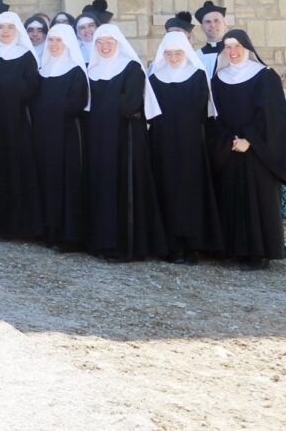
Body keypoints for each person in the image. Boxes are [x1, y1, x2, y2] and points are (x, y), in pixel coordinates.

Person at [83, 24, 166, 261]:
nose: (104, 46)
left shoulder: (132, 69)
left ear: (118, 43)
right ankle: (102, 241)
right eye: (100, 42)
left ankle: (126, 246)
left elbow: (128, 103)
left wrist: (99, 113)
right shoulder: (91, 69)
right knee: (102, 186)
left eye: (109, 42)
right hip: (99, 138)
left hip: (125, 137)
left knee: (124, 186)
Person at [209, 30, 286, 269]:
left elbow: (272, 116)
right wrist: (229, 139)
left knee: (257, 199)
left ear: (247, 48)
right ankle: (235, 250)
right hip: (229, 146)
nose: (232, 52)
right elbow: (214, 115)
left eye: (237, 47)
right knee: (231, 197)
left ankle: (258, 254)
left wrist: (249, 140)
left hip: (257, 151)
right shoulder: (219, 78)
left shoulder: (265, 76)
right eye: (228, 48)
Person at [147, 32, 223, 263]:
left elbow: (202, 110)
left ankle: (192, 246)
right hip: (163, 144)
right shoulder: (155, 77)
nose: (173, 57)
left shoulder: (197, 74)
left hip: (191, 144)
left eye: (178, 53)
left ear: (186, 52)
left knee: (192, 191)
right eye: (168, 53)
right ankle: (171, 246)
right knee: (167, 189)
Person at [0, 11, 43, 239]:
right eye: (1, 27)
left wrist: (9, 97)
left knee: (16, 169)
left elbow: (32, 86)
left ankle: (18, 226)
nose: (5, 32)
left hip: (16, 122)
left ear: (17, 31)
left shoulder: (26, 56)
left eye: (10, 28)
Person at [31, 25, 90, 250]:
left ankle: (68, 235)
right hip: (43, 135)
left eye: (58, 41)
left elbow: (77, 103)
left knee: (65, 181)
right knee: (46, 179)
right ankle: (49, 230)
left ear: (67, 44)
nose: (54, 45)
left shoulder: (75, 71)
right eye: (51, 41)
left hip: (65, 134)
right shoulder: (43, 69)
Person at [194, 0, 227, 77]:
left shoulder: (235, 53)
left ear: (225, 23)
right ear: (202, 27)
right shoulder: (196, 57)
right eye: (208, 22)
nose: (212, 25)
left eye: (216, 20)